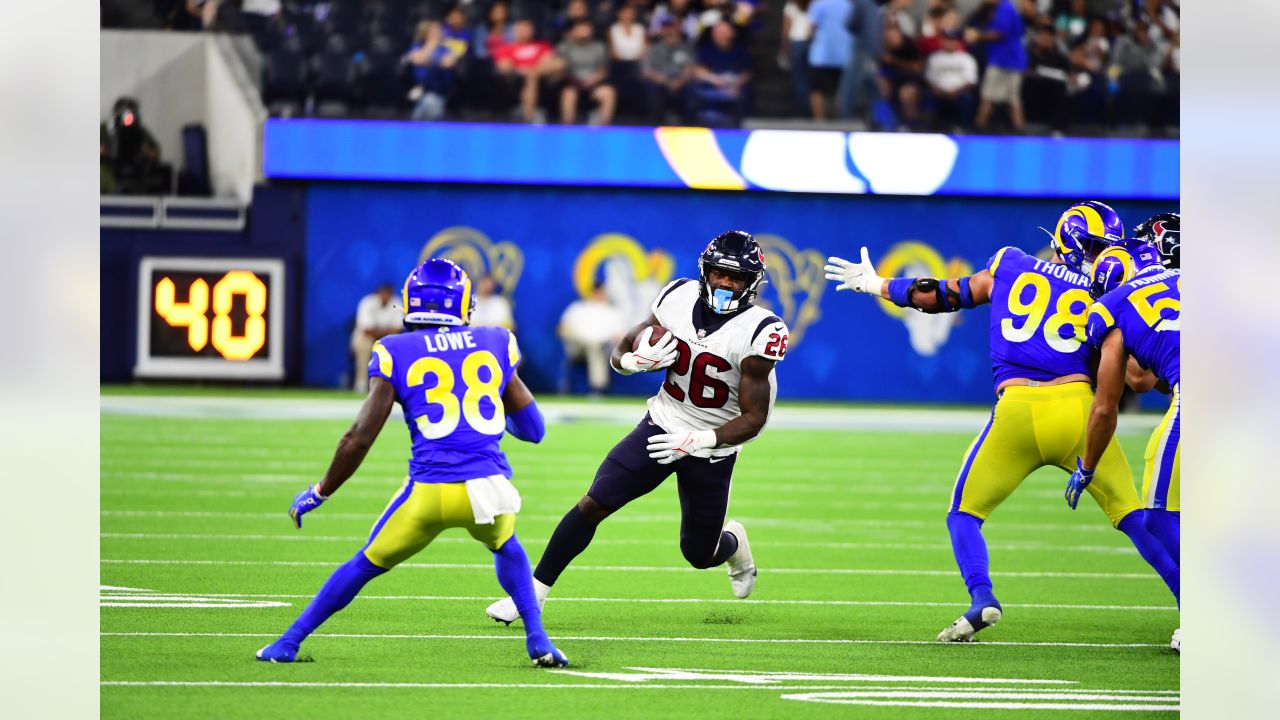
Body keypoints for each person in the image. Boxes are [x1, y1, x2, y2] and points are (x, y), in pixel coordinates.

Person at [824, 201, 1180, 642]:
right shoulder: (1106, 288)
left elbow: (941, 294)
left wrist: (877, 284)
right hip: (1077, 411)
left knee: (964, 515)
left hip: (1014, 412)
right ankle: (1191, 606)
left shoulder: (1010, 263)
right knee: (1136, 517)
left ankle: (982, 599)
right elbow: (1137, 378)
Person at [256, 259, 568, 668]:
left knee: (364, 564)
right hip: (489, 490)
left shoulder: (393, 350)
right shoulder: (496, 341)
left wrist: (321, 491)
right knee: (506, 546)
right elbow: (534, 429)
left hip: (430, 492)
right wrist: (486, 413)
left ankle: (288, 642)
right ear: (465, 305)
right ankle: (538, 637)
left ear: (409, 305)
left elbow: (359, 436)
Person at [486, 230, 790, 624]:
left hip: (711, 446)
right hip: (662, 423)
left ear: (752, 284)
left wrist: (700, 439)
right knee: (594, 502)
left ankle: (733, 546)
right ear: (705, 271)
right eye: (719, 273)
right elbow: (625, 345)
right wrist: (627, 364)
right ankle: (531, 596)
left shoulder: (761, 330)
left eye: (735, 278)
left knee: (699, 554)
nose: (725, 283)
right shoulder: (677, 297)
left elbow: (754, 416)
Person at [1070, 213, 1180, 652]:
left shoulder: (1109, 306)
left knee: (1155, 513)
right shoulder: (1181, 277)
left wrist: (1088, 466)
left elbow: (1105, 406)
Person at [967, 0, 1027, 131]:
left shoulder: (1005, 9)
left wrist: (978, 36)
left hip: (1004, 60)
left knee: (990, 97)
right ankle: (1020, 131)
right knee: (1012, 98)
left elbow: (999, 34)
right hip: (1012, 60)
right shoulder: (1006, 8)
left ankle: (977, 129)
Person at [557, 280, 627, 395]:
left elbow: (619, 336)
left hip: (601, 346)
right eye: (596, 291)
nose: (598, 294)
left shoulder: (613, 312)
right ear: (591, 292)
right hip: (576, 345)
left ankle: (597, 389)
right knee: (589, 344)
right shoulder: (577, 308)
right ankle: (565, 387)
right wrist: (566, 334)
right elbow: (561, 328)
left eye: (600, 291)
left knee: (595, 348)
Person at [492, 19, 558, 123]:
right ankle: (529, 117)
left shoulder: (542, 46)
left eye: (527, 29)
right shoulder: (506, 48)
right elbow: (504, 66)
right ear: (515, 32)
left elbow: (548, 62)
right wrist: (525, 70)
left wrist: (532, 70)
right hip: (516, 79)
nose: (525, 32)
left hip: (542, 77)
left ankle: (531, 114)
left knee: (559, 64)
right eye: (522, 29)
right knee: (530, 78)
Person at [689, 20, 753, 127]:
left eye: (724, 32)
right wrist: (717, 82)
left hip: (735, 85)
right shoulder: (706, 49)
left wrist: (735, 85)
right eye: (718, 32)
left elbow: (748, 72)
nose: (721, 35)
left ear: (732, 33)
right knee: (694, 92)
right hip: (711, 84)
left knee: (743, 95)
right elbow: (698, 69)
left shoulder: (740, 50)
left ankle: (736, 129)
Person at [556, 19, 617, 125]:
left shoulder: (599, 47)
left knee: (609, 92)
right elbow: (561, 68)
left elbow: (603, 70)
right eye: (580, 29)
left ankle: (604, 128)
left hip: (593, 85)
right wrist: (575, 81)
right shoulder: (564, 47)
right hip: (572, 84)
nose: (583, 31)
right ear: (573, 31)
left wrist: (593, 80)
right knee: (568, 94)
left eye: (586, 29)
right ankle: (567, 128)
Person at [642, 13, 696, 123]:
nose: (670, 31)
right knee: (653, 89)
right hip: (660, 81)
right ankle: (655, 127)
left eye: (673, 27)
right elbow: (646, 71)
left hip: (681, 82)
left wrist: (679, 82)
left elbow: (691, 68)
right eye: (666, 28)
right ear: (662, 30)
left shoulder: (687, 48)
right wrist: (666, 81)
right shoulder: (653, 48)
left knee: (692, 88)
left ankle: (689, 126)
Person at [349, 284, 402, 393]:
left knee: (398, 345)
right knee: (364, 345)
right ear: (378, 293)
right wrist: (386, 331)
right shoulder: (368, 302)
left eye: (388, 294)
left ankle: (393, 386)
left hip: (386, 340)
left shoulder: (396, 303)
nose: (385, 296)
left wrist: (380, 332)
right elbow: (366, 329)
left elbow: (397, 329)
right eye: (383, 293)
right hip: (366, 338)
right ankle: (361, 385)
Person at [805, 0, 853, 121]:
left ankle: (820, 122)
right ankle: (838, 121)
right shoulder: (849, 5)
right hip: (844, 55)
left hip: (821, 55)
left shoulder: (818, 4)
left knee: (817, 90)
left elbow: (812, 27)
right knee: (840, 92)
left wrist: (810, 41)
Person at [923, 28, 977, 129]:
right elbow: (928, 78)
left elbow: (971, 82)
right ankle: (926, 129)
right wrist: (937, 90)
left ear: (957, 42)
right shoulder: (934, 58)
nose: (949, 42)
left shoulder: (966, 58)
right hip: (938, 92)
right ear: (942, 41)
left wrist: (956, 91)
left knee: (967, 98)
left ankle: (962, 128)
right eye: (947, 40)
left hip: (959, 92)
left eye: (952, 40)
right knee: (928, 95)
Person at [1023, 19, 1069, 134]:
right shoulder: (1026, 55)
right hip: (1031, 88)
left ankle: (1057, 130)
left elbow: (1067, 73)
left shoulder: (1058, 57)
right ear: (1035, 38)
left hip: (1052, 90)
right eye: (1043, 35)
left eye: (1050, 36)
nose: (1047, 38)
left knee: (1060, 91)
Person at [780, 1, 813, 116]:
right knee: (808, 79)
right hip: (810, 42)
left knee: (800, 80)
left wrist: (784, 48)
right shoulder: (814, 4)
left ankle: (802, 111)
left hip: (796, 43)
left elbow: (787, 28)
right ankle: (809, 110)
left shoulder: (791, 5)